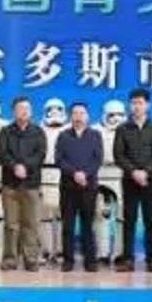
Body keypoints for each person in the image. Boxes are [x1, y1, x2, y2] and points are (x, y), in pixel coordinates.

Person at [113, 88, 152, 272]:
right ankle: (128, 259)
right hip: (129, 181)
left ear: (147, 105)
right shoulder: (122, 129)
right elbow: (118, 155)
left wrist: (146, 173)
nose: (136, 106)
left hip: (151, 181)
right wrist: (134, 172)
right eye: (133, 103)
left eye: (140, 103)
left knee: (151, 221)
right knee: (129, 221)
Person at [0, 96, 47, 272]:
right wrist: (14, 167)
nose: (24, 111)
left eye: (27, 108)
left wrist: (25, 167)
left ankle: (31, 259)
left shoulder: (38, 132)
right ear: (14, 111)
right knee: (11, 224)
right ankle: (10, 259)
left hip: (31, 184)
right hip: (10, 184)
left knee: (31, 224)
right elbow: (2, 154)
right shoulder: (5, 132)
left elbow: (40, 154)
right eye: (20, 108)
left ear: (31, 111)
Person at [55, 102, 103, 273]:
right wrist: (75, 173)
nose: (78, 117)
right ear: (70, 116)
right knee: (68, 225)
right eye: (75, 113)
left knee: (87, 225)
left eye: (82, 113)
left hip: (89, 187)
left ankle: (90, 260)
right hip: (68, 187)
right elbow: (59, 159)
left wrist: (85, 174)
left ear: (87, 116)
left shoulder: (95, 135)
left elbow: (97, 159)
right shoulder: (63, 136)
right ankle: (68, 260)